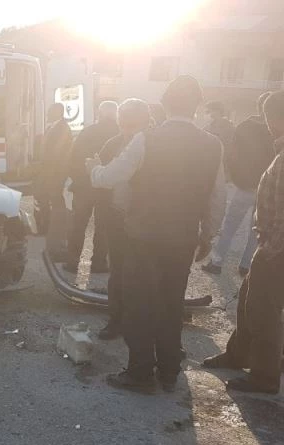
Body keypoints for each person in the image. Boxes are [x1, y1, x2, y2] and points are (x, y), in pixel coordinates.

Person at [86, 76, 226, 393]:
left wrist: (93, 170)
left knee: (140, 303)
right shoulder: (213, 144)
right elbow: (218, 197)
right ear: (197, 106)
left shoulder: (146, 139)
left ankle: (139, 373)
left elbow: (113, 176)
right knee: (171, 303)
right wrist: (208, 235)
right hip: (183, 237)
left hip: (144, 236)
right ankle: (169, 370)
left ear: (163, 104)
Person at [202, 90, 284, 395]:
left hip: (277, 248)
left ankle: (264, 376)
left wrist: (271, 249)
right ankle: (239, 355)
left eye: (268, 117)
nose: (267, 124)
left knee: (263, 310)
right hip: (272, 245)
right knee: (249, 301)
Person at [91, 99, 151, 340]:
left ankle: (138, 321)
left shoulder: (153, 144)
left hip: (144, 220)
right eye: (123, 124)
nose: (127, 130)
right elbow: (99, 180)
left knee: (143, 273)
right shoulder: (112, 144)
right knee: (118, 271)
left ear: (145, 122)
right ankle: (116, 319)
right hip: (116, 217)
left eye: (132, 125)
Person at [202, 92, 275, 276]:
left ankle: (217, 262)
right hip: (265, 188)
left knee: (229, 225)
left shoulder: (244, 126)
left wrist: (235, 177)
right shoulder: (275, 130)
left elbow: (233, 154)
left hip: (244, 185)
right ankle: (246, 266)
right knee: (255, 229)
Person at [64, 101, 120, 273]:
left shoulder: (88, 131)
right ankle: (99, 263)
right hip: (107, 187)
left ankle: (73, 261)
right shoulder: (119, 134)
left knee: (78, 224)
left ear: (99, 114)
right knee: (103, 226)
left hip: (84, 186)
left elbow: (73, 157)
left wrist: (78, 178)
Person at [35, 103, 73, 257]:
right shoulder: (52, 127)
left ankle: (59, 239)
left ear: (58, 112)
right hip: (48, 172)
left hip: (56, 173)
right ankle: (47, 229)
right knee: (43, 198)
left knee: (57, 204)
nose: (47, 114)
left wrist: (53, 174)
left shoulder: (63, 128)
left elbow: (58, 153)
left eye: (50, 111)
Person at [204, 101, 236, 170]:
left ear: (217, 111)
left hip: (224, 165)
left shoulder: (230, 128)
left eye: (209, 111)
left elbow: (231, 148)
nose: (207, 114)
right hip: (209, 164)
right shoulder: (206, 128)